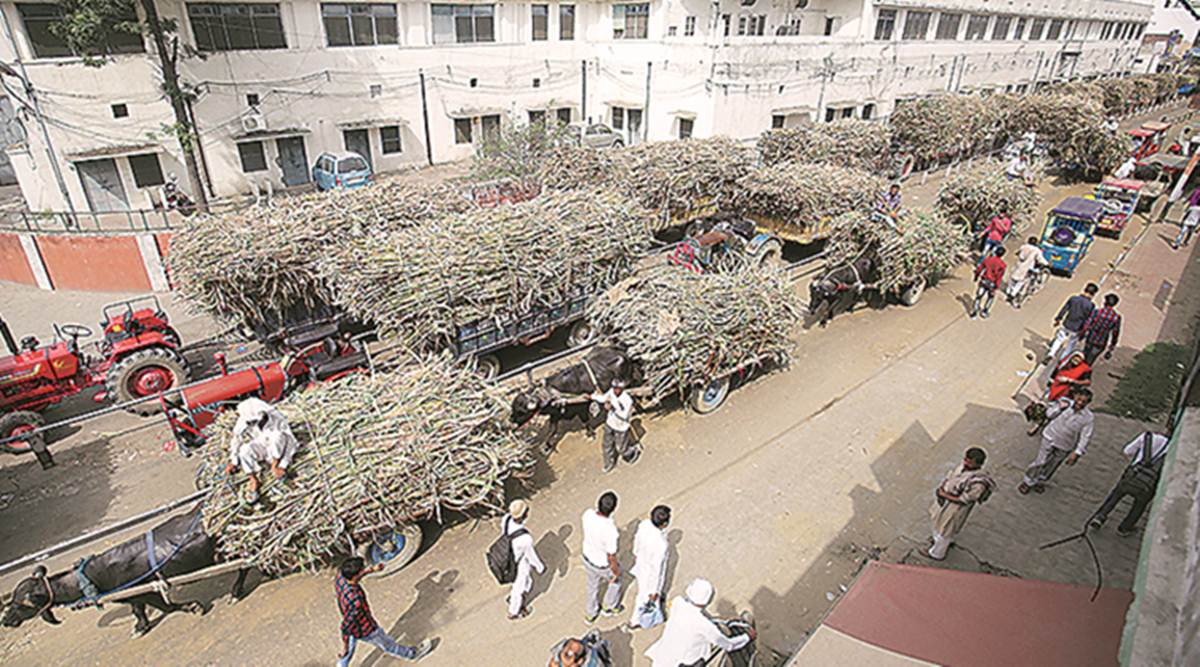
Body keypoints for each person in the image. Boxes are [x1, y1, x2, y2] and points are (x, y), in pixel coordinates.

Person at [335, 557, 434, 666]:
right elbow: (345, 627)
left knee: (348, 649)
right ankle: (413, 654)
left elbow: (347, 625)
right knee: (388, 645)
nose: (365, 570)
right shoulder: (355, 599)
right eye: (362, 570)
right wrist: (344, 646)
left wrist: (372, 570)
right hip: (365, 628)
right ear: (355, 576)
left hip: (351, 622)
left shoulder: (340, 578)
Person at [644, 579, 755, 666]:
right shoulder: (704, 626)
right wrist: (747, 637)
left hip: (663, 657)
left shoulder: (678, 602)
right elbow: (729, 645)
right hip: (684, 663)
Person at [1089, 431, 1170, 536]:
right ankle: (1125, 527)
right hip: (1148, 484)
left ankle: (1100, 516)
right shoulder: (1172, 450)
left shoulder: (1147, 437)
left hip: (1133, 475)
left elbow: (1127, 451)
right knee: (1139, 505)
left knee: (1116, 495)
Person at [1019, 388, 1094, 495]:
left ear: (1088, 403)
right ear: (1075, 396)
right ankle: (1028, 481)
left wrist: (1077, 452)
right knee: (1041, 461)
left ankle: (1040, 480)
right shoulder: (1064, 403)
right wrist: (1059, 408)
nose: (1080, 403)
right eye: (1079, 399)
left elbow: (1086, 436)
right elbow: (1049, 414)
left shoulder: (1088, 417)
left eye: (1084, 401)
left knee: (1052, 465)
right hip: (1050, 437)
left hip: (1065, 445)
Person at [223, 397, 299, 501]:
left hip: (278, 448)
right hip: (262, 445)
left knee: (277, 436)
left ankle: (274, 466)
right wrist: (234, 461)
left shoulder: (277, 418)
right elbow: (236, 439)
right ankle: (253, 479)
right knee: (245, 449)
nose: (253, 424)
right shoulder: (244, 421)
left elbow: (292, 442)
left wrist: (282, 465)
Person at [928, 448, 996, 561]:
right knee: (939, 523)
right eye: (965, 459)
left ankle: (937, 553)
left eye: (969, 461)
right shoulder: (963, 467)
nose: (965, 462)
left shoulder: (978, 483)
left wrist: (944, 495)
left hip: (955, 509)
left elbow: (964, 499)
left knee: (946, 531)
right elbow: (951, 477)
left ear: (978, 464)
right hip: (945, 503)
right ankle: (938, 540)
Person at [582, 491, 622, 624]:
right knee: (615, 582)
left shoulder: (587, 514)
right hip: (603, 564)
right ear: (614, 509)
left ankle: (590, 613)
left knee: (592, 586)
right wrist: (616, 571)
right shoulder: (610, 530)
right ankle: (609, 607)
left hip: (588, 558)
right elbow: (611, 556)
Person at [629, 505, 671, 629]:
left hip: (641, 563)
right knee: (644, 596)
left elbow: (636, 542)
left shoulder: (644, 525)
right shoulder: (661, 544)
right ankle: (635, 620)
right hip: (649, 574)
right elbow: (656, 570)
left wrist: (636, 554)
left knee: (644, 592)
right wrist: (653, 591)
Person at [504, 499, 544, 620]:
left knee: (525, 582)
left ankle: (515, 599)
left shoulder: (506, 519)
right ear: (524, 515)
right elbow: (531, 556)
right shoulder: (525, 539)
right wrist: (540, 567)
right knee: (519, 586)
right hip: (519, 562)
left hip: (509, 554)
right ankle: (514, 611)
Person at [590, 378, 639, 473]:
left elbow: (624, 416)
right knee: (606, 444)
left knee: (621, 448)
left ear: (622, 389)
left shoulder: (627, 400)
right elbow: (603, 398)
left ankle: (633, 450)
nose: (615, 390)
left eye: (617, 388)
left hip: (621, 427)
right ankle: (608, 464)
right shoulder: (611, 392)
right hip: (610, 423)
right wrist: (591, 396)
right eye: (614, 388)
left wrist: (612, 407)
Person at [1046, 283, 1099, 364]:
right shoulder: (1091, 305)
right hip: (1077, 328)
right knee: (1070, 345)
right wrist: (1084, 331)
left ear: (1085, 289)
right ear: (1094, 294)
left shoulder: (1073, 298)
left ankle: (1051, 354)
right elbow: (1088, 319)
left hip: (1066, 324)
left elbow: (1064, 309)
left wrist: (1058, 319)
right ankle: (1062, 360)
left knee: (1059, 339)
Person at [1079, 293, 1122, 366]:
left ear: (1105, 302)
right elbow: (1115, 333)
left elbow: (1087, 324)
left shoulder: (1097, 312)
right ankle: (1083, 373)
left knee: (1084, 356)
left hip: (1091, 338)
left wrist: (1082, 334)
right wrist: (1112, 346)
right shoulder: (1116, 317)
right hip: (1101, 342)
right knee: (1090, 361)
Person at [1006, 236, 1048, 306]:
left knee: (1012, 278)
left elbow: (1018, 252)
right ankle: (1012, 295)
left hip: (1018, 265)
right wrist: (1046, 264)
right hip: (1027, 268)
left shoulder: (1023, 247)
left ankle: (1008, 291)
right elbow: (1041, 259)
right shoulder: (1036, 250)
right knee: (1021, 282)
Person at [970, 246, 1006, 319]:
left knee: (978, 297)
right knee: (990, 297)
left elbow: (979, 269)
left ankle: (974, 312)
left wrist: (976, 276)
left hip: (984, 281)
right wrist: (996, 286)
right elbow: (999, 277)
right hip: (992, 283)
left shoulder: (988, 260)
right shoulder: (1002, 265)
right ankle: (985, 311)